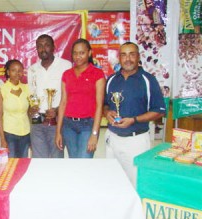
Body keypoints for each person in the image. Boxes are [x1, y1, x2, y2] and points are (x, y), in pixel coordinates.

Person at [104, 41, 166, 187]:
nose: (128, 59)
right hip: (112, 138)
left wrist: (134, 120)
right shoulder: (112, 80)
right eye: (124, 55)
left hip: (135, 141)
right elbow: (105, 104)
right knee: (112, 182)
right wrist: (107, 112)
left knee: (136, 183)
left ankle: (136, 210)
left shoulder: (148, 80)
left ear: (138, 57)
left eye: (132, 54)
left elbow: (159, 110)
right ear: (119, 58)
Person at [55, 38, 106, 158]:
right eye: (75, 53)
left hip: (88, 125)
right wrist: (58, 132)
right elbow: (63, 103)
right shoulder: (67, 74)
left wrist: (94, 133)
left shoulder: (97, 74)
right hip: (68, 126)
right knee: (74, 161)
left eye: (82, 53)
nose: (78, 56)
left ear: (89, 53)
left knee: (84, 161)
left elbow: (99, 105)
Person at [27, 34, 72, 158]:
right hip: (37, 121)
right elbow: (31, 94)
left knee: (56, 158)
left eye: (46, 45)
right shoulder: (32, 69)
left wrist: (57, 110)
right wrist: (30, 109)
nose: (43, 49)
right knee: (38, 159)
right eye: (39, 46)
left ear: (53, 47)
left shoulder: (66, 66)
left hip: (57, 120)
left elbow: (70, 94)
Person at [0, 59, 30, 158]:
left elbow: (29, 112)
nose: (17, 73)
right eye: (13, 70)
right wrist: (2, 139)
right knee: (11, 165)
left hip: (26, 133)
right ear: (8, 72)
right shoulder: (1, 89)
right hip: (9, 134)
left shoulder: (27, 88)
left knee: (23, 164)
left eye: (20, 70)